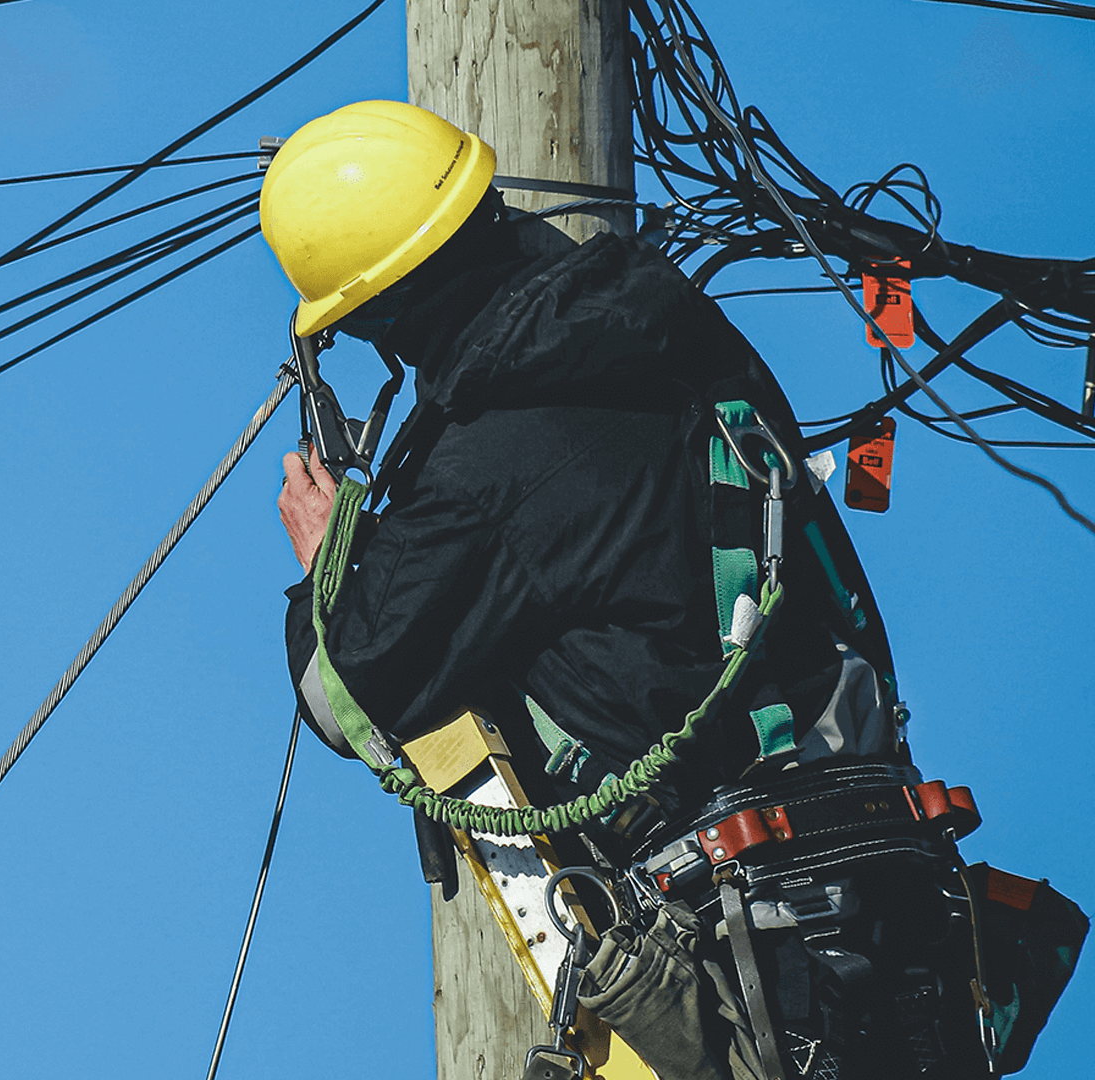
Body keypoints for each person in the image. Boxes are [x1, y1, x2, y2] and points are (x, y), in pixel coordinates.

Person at [265, 100, 998, 1080]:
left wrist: (327, 564)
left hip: (742, 938)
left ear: (385, 314)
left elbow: (351, 686)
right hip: (893, 896)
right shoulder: (688, 339)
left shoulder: (491, 461)